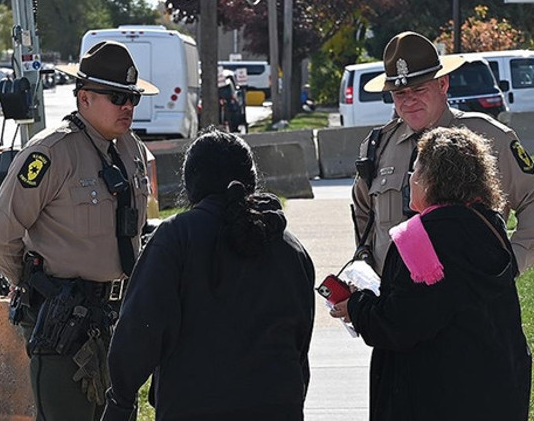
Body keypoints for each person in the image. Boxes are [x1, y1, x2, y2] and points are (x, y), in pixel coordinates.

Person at [0, 40, 157, 421]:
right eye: (116, 97)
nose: (127, 107)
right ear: (84, 98)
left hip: (118, 317)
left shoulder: (131, 150)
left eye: (132, 98)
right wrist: (28, 282)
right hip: (65, 322)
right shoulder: (51, 152)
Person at [102, 129, 315, 420]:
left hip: (193, 407)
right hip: (279, 405)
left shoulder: (175, 238)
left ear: (191, 183)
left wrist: (120, 402)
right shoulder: (290, 248)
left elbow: (138, 332)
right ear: (251, 181)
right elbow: (300, 344)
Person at [332, 127, 531, 420]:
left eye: (415, 170)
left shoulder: (421, 238)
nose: (410, 179)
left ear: (433, 179)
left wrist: (357, 306)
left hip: (437, 396)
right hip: (496, 389)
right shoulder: (490, 226)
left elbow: (401, 323)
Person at [352, 31, 534, 275]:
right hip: (397, 303)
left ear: (442, 84)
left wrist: (513, 261)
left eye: (418, 90)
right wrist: (366, 267)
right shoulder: (379, 145)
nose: (409, 101)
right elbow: (363, 212)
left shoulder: (490, 137)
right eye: (400, 94)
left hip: (469, 300)